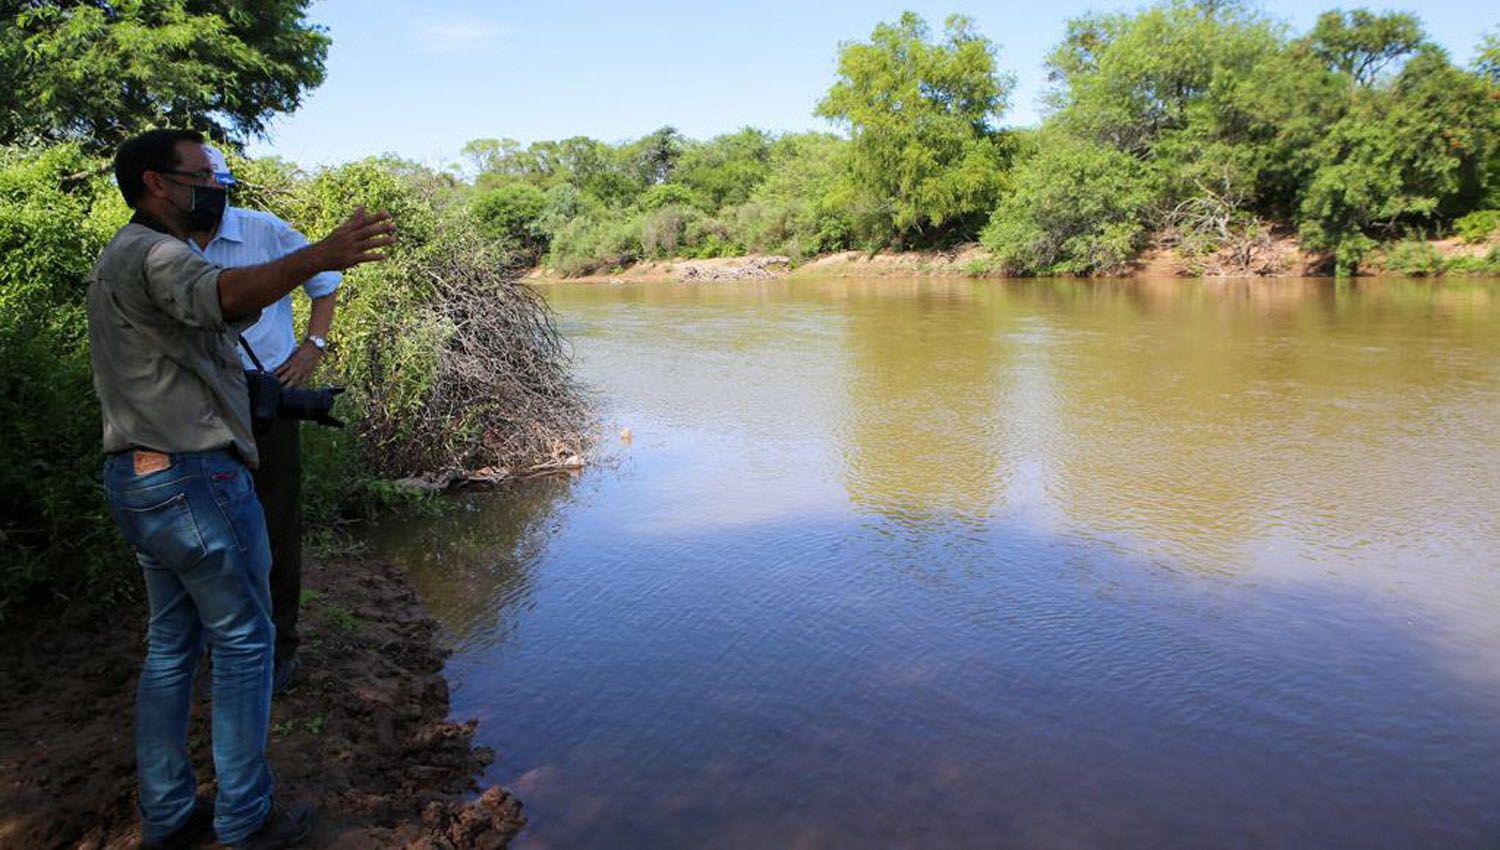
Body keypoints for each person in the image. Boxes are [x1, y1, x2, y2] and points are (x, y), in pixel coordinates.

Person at [87, 129, 394, 850]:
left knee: (170, 646)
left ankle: (166, 814)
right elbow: (223, 296)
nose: (215, 185)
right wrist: (318, 255)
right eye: (201, 174)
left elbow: (206, 329)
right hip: (193, 478)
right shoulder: (159, 252)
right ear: (158, 184)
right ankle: (245, 818)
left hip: (141, 477)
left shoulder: (124, 257)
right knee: (245, 642)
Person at [190, 144, 340, 695]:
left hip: (265, 399)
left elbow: (324, 283)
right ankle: (220, 641)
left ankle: (281, 647)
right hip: (196, 403)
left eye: (215, 185)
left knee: (275, 523)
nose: (208, 196)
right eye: (199, 185)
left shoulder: (264, 230)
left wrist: (312, 348)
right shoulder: (166, 244)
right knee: (207, 527)